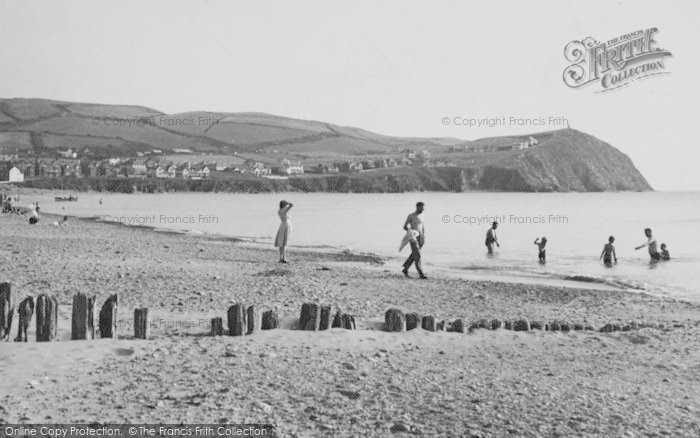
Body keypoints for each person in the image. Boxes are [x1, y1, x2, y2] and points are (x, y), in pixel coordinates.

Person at [402, 202, 427, 279]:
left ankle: (406, 268)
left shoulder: (422, 216)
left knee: (415, 254)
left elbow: (422, 227)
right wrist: (411, 232)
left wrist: (423, 236)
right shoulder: (411, 216)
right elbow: (405, 226)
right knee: (418, 255)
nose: (423, 209)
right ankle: (421, 273)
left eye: (423, 208)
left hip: (421, 237)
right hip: (413, 237)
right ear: (417, 207)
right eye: (422, 208)